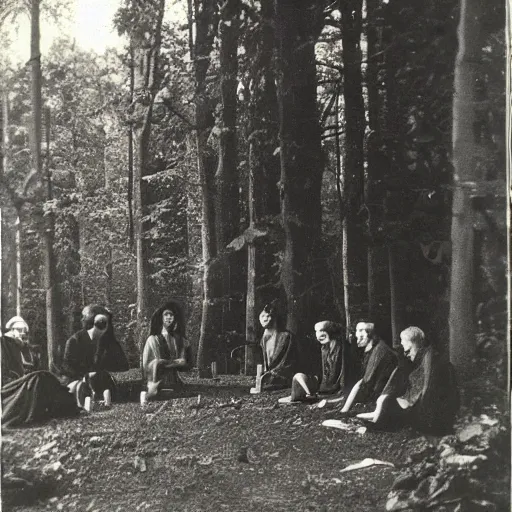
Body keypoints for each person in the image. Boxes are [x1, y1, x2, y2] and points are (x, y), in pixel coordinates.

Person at [356, 326, 459, 435]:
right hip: (429, 409)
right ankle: (376, 424)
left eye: (408, 350)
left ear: (416, 344)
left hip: (430, 413)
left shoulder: (429, 359)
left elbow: (425, 391)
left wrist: (407, 403)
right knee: (389, 402)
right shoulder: (426, 355)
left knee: (389, 403)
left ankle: (377, 427)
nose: (407, 354)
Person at [2, 317, 80, 427]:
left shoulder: (27, 348)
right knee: (39, 378)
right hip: (12, 387)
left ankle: (67, 406)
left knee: (46, 377)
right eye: (19, 330)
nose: (22, 333)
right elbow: (6, 374)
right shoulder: (5, 346)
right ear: (11, 331)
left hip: (27, 381)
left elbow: (35, 367)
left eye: (25, 331)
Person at [60, 305, 129, 405]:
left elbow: (123, 366)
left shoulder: (109, 342)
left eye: (106, 323)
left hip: (103, 383)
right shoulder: (74, 341)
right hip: (78, 382)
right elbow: (67, 369)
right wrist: (85, 376)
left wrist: (102, 373)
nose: (104, 327)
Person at [278, 320, 345, 403]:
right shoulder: (324, 349)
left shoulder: (342, 349)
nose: (318, 335)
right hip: (321, 388)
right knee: (298, 376)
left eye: (321, 330)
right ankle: (308, 395)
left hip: (333, 390)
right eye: (316, 331)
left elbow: (342, 375)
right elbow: (320, 375)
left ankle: (306, 396)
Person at [340, 321, 397, 413]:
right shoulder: (371, 349)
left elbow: (366, 382)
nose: (358, 335)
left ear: (371, 334)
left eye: (362, 330)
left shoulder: (379, 351)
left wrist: (346, 408)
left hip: (380, 394)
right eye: (357, 330)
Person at [142, 300, 192, 400]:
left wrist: (165, 363)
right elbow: (146, 364)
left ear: (175, 318)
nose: (169, 317)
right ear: (161, 317)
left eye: (171, 315)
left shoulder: (180, 340)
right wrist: (163, 363)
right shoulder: (152, 339)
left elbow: (183, 362)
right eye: (166, 314)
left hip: (174, 379)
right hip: (156, 378)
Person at [256, 301, 299, 391]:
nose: (264, 319)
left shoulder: (286, 336)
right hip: (268, 379)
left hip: (283, 378)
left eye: (267, 316)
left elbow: (288, 361)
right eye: (262, 316)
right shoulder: (263, 339)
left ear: (274, 318)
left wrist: (274, 373)